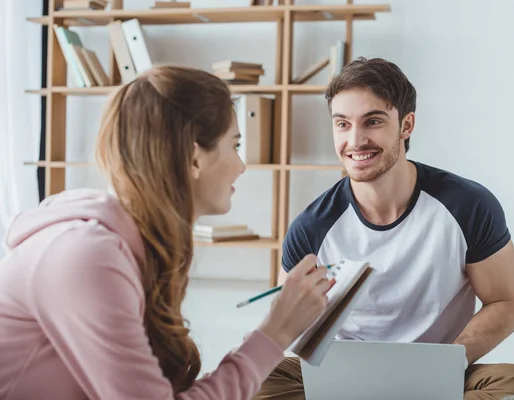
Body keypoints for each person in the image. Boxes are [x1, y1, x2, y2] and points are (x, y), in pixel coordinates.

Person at [0, 65, 336, 400]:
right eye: (235, 145)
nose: (241, 166)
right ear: (193, 157)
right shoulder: (87, 257)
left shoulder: (134, 251)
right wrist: (274, 333)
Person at [254, 57, 514, 400]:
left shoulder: (469, 205)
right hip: (345, 375)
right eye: (342, 124)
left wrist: (442, 364)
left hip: (442, 367)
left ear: (406, 125)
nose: (355, 140)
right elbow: (287, 323)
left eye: (373, 121)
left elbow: (506, 301)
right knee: (255, 381)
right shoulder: (312, 226)